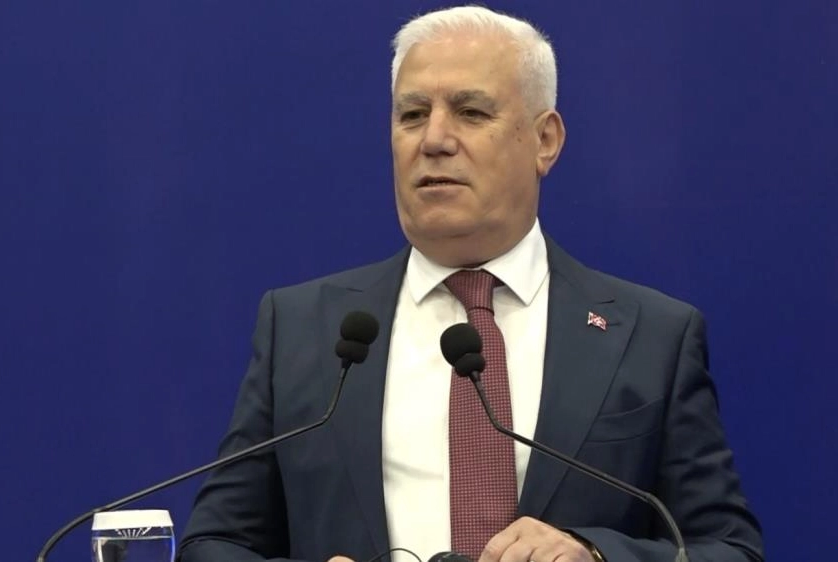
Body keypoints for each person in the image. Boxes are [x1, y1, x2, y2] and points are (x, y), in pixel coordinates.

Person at [178, 6, 763, 562]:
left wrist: (597, 554)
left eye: (471, 112)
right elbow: (214, 543)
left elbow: (728, 548)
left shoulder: (652, 337)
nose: (433, 139)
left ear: (545, 140)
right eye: (412, 114)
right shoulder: (303, 329)